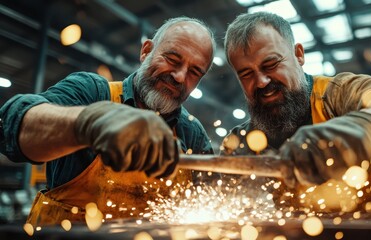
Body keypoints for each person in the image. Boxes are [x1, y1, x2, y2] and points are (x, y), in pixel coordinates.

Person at [0, 16, 216, 226]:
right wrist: (87, 123)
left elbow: (214, 205)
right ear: (146, 51)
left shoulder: (192, 134)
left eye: (194, 72)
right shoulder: (92, 92)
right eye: (172, 59)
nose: (180, 76)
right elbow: (11, 123)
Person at [222, 12, 371, 214]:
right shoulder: (239, 143)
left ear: (298, 54)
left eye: (271, 64)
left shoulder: (340, 93)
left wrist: (358, 130)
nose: (261, 82)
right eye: (246, 74)